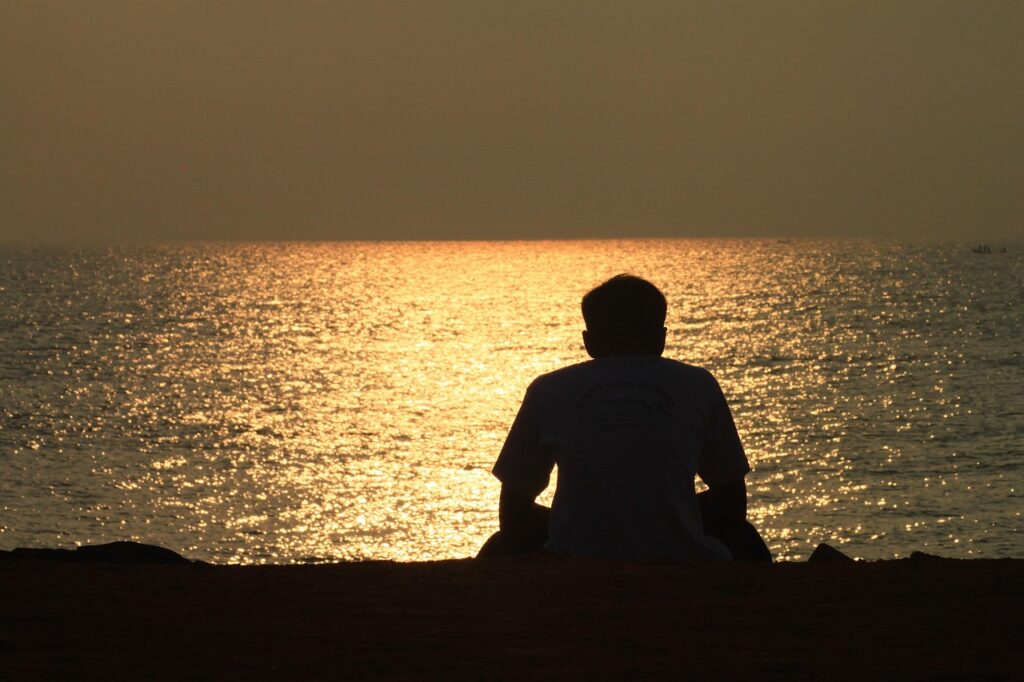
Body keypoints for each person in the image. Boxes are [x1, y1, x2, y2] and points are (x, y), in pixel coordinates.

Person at [478, 274, 771, 562]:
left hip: (574, 557)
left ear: (589, 341)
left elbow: (513, 512)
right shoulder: (698, 384)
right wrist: (665, 515)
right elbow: (732, 501)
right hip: (682, 556)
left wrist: (583, 521)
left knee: (498, 547)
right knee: (744, 538)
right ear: (661, 338)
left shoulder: (548, 389)